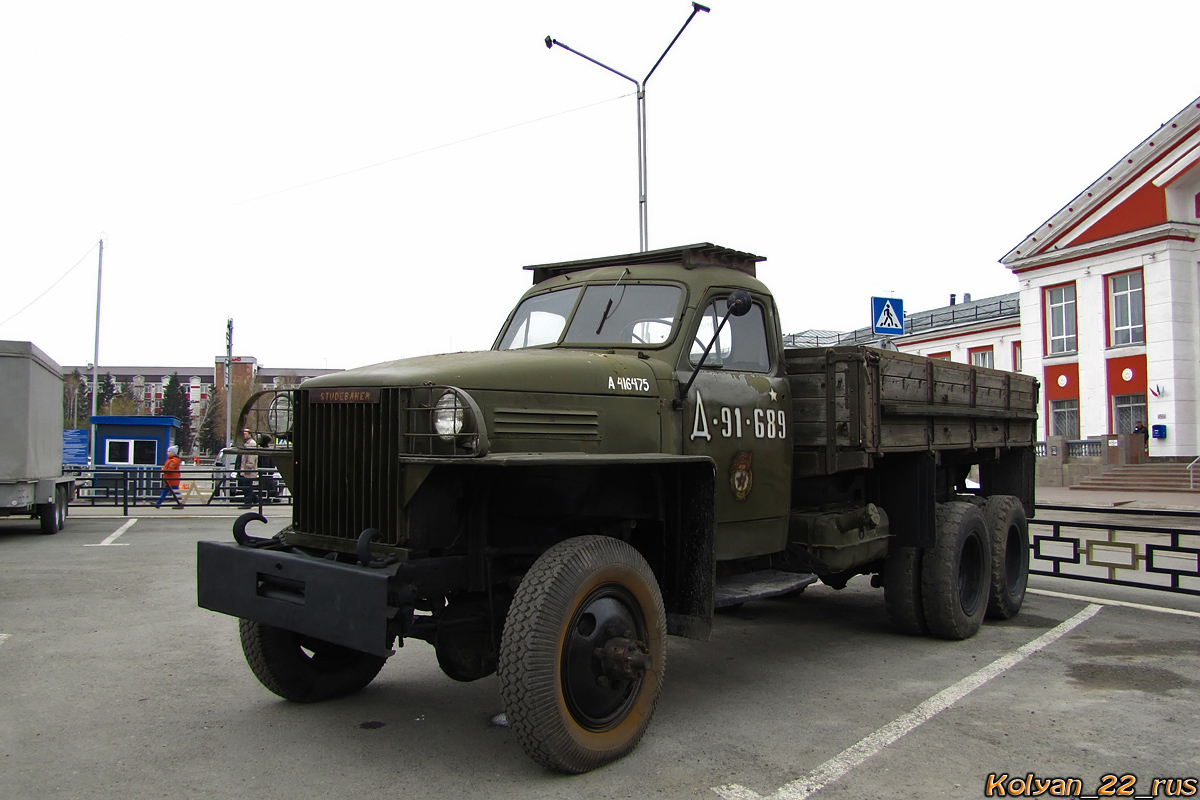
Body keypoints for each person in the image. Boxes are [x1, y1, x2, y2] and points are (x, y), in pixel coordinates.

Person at [235, 429, 259, 509]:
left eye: (245, 434)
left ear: (250, 434)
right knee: (243, 486)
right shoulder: (246, 443)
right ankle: (255, 499)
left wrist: (249, 466)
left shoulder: (251, 444)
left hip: (248, 469)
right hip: (244, 469)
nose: (243, 435)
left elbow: (251, 456)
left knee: (247, 486)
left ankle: (248, 502)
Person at [256, 433, 279, 501]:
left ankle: (267, 498)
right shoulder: (265, 450)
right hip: (266, 472)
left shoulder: (264, 451)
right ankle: (268, 498)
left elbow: (267, 462)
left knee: (266, 486)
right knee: (266, 486)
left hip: (265, 472)